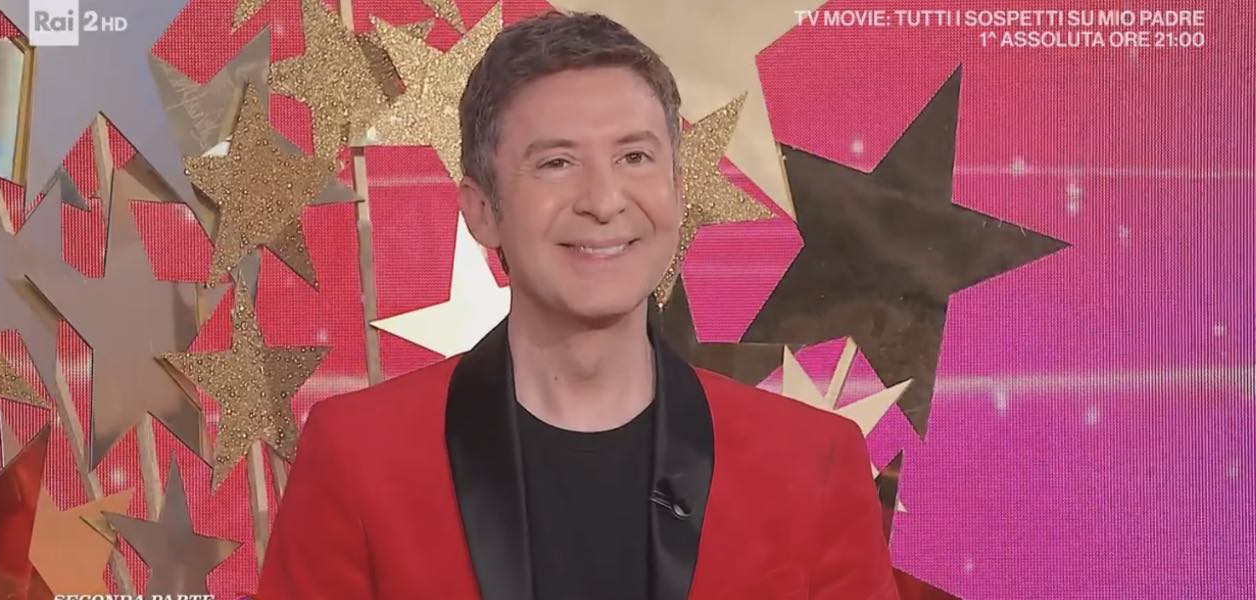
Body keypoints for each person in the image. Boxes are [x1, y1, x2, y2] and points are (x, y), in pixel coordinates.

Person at [258, 10, 898, 600]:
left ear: (679, 192)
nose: (603, 200)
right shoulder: (357, 457)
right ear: (482, 211)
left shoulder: (813, 462)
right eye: (557, 162)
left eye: (635, 157)